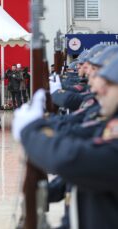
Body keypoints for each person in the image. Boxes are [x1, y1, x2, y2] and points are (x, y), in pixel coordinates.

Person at [12, 53, 118, 229]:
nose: (98, 89)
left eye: (109, 84)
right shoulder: (108, 122)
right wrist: (44, 192)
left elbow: (71, 159)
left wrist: (31, 131)